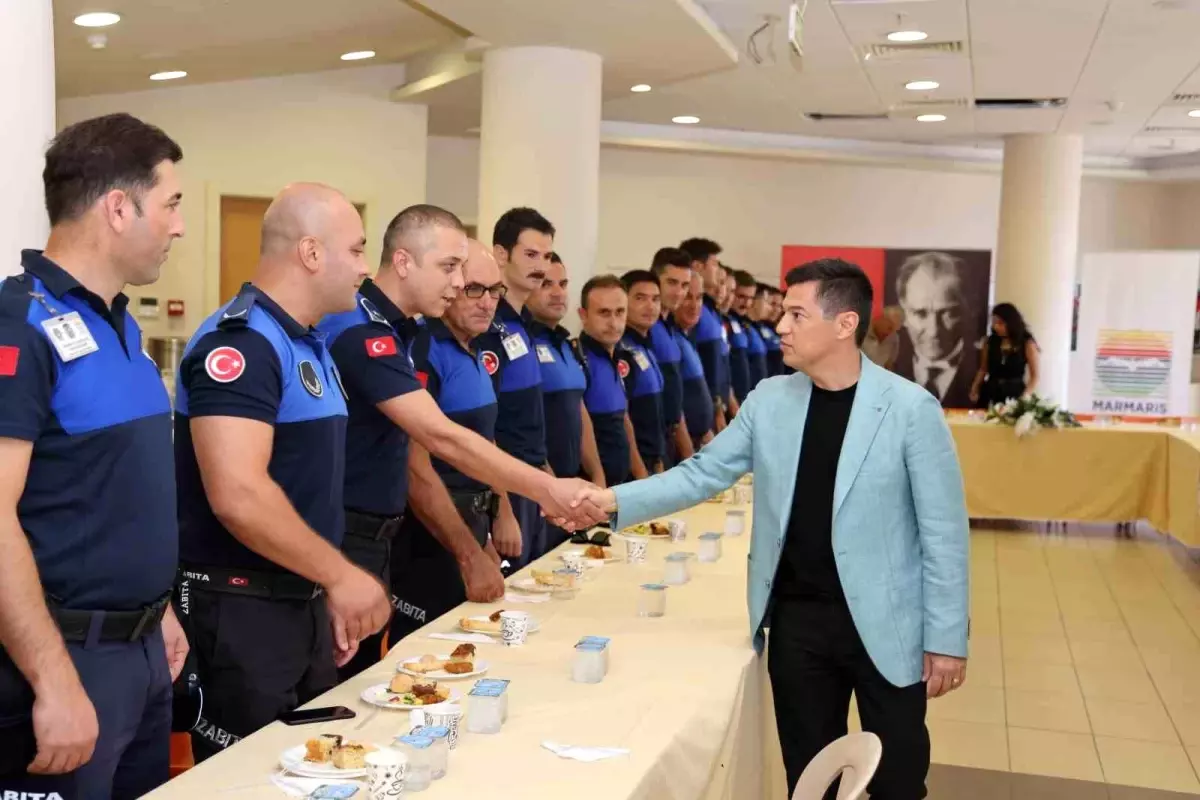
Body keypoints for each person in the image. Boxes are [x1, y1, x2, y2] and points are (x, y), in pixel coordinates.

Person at [576, 258, 970, 800]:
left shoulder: (909, 409)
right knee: (809, 780)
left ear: (845, 323)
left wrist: (946, 640)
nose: (781, 325)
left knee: (897, 781)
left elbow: (944, 532)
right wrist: (610, 501)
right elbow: (702, 473)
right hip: (797, 624)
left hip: (889, 622)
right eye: (783, 313)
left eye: (796, 314)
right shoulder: (770, 401)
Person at [317, 207, 600, 674]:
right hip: (349, 536)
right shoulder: (362, 331)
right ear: (404, 262)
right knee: (349, 684)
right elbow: (439, 437)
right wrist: (547, 489)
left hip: (377, 534)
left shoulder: (400, 329)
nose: (457, 283)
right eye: (450, 268)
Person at [0, 113, 188, 799]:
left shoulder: (118, 322)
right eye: (170, 204)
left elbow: (115, 492)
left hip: (140, 651)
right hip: (62, 659)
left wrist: (157, 608)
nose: (178, 226)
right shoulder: (19, 325)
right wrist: (53, 681)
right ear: (117, 207)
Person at [173, 183, 393, 760]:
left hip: (299, 599)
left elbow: (306, 487)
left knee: (310, 771)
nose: (365, 269)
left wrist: (324, 586)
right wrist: (341, 577)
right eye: (356, 250)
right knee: (247, 780)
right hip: (243, 613)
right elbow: (238, 495)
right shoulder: (242, 344)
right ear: (311, 252)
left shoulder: (308, 343)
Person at [389, 240, 523, 641]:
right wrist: (469, 552)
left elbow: (484, 442)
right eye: (474, 289)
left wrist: (498, 517)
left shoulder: (476, 348)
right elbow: (414, 466)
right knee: (427, 651)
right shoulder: (423, 348)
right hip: (430, 533)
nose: (487, 302)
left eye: (495, 290)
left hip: (474, 522)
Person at [476, 207, 554, 565]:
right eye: (531, 254)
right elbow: (483, 428)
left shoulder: (522, 323)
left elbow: (527, 416)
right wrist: (503, 509)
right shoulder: (487, 323)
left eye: (547, 256)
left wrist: (545, 472)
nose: (541, 266)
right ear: (501, 253)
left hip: (531, 482)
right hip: (505, 488)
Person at [525, 253, 606, 489]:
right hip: (537, 485)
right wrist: (549, 483)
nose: (558, 293)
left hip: (572, 482)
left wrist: (597, 474)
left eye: (563, 284)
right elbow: (517, 424)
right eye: (546, 284)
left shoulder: (566, 344)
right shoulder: (521, 343)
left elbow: (579, 411)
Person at [893, 252, 979, 408]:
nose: (933, 331)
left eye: (948, 314)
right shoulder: (886, 368)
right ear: (903, 313)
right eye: (920, 313)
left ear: (968, 310)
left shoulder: (985, 369)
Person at [578, 275, 641, 485]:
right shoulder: (577, 359)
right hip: (591, 487)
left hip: (621, 485)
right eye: (604, 313)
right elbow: (578, 427)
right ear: (583, 315)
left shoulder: (620, 358)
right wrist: (598, 479)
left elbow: (624, 421)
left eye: (620, 312)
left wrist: (641, 475)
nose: (614, 323)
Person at [679, 237, 731, 432]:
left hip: (713, 408)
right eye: (714, 264)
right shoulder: (689, 312)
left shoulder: (709, 309)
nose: (718, 270)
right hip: (698, 416)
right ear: (697, 266)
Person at [648, 248, 694, 466]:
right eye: (672, 283)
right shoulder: (646, 328)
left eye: (685, 285)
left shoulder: (669, 328)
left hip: (670, 438)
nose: (679, 293)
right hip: (653, 442)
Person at [621, 270, 669, 475]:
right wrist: (640, 470)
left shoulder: (646, 346)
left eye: (655, 299)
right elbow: (622, 417)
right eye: (640, 298)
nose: (650, 306)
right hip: (635, 467)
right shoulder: (621, 350)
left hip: (655, 459)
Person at [674, 270, 716, 449]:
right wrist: (688, 452)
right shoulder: (668, 341)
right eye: (688, 297)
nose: (694, 305)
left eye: (699, 298)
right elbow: (673, 405)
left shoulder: (687, 337)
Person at [969, 302, 1040, 407]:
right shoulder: (989, 342)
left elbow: (1035, 376)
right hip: (991, 391)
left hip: (1015, 393)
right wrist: (975, 387)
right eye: (994, 323)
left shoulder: (1027, 344)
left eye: (1000, 323)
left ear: (1011, 322)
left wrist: (1025, 397)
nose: (996, 326)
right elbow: (983, 368)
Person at [733, 270, 768, 392]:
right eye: (741, 297)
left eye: (750, 298)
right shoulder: (725, 325)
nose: (747, 303)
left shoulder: (746, 326)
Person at [753, 284, 786, 378]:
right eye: (772, 304)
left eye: (780, 306)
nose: (776, 309)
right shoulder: (756, 327)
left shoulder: (778, 330)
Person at [862, 306, 904, 370]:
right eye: (890, 328)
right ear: (882, 318)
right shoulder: (859, 330)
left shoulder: (894, 338)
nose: (890, 333)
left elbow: (889, 365)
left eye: (895, 330)